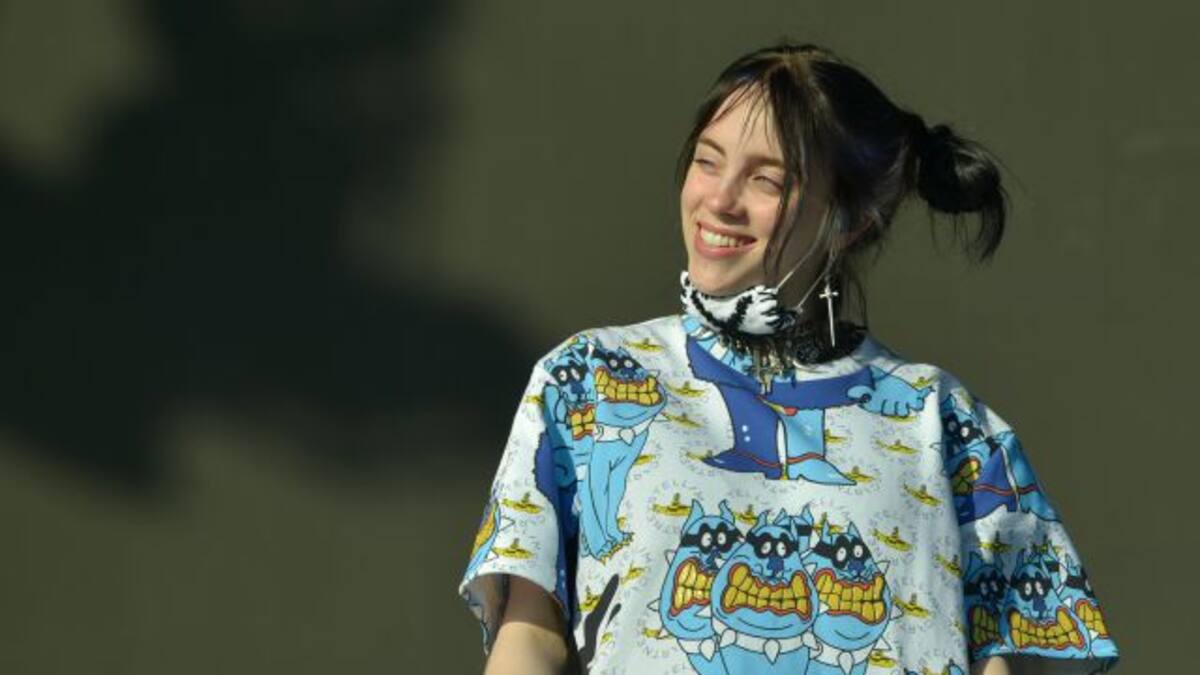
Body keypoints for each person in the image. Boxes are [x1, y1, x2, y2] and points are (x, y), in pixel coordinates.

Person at [457, 42, 1119, 675]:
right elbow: (530, 635)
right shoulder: (588, 380)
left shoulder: (946, 422)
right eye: (707, 161)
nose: (720, 200)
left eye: (765, 180)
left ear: (851, 220)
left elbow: (996, 660)